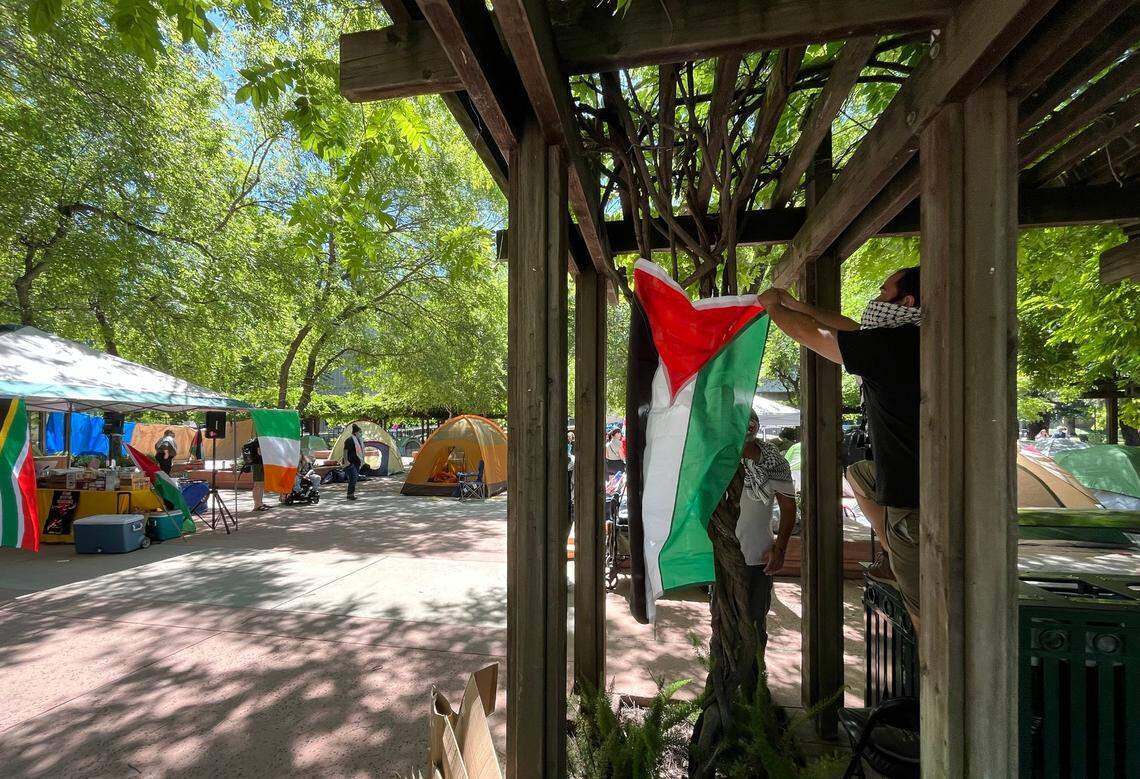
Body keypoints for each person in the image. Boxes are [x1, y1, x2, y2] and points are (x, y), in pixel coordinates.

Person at [758, 266, 922, 633]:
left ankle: (937, 685)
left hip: (912, 501)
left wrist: (775, 309)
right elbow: (849, 328)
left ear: (906, 302)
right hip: (917, 485)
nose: (876, 298)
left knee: (923, 613)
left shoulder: (893, 345)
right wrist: (801, 305)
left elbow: (814, 337)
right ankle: (891, 555)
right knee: (860, 473)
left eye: (883, 290)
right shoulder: (913, 339)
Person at [738, 410, 797, 650]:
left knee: (753, 622)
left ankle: (755, 681)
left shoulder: (774, 463)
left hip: (757, 556)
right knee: (725, 618)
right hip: (724, 553)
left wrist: (779, 548)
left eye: (748, 424)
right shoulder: (721, 460)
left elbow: (788, 507)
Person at [244, 436, 268, 512]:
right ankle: (257, 504)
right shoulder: (258, 441)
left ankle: (260, 503)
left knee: (260, 485)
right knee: (258, 484)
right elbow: (260, 452)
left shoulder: (258, 440)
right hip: (258, 465)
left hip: (258, 465)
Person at [343, 424, 363, 501]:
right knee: (353, 478)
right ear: (356, 432)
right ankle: (350, 494)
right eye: (360, 432)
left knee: (353, 479)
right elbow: (345, 451)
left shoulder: (358, 440)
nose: (361, 433)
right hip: (350, 463)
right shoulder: (350, 440)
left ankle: (350, 494)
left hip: (356, 462)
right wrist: (346, 461)